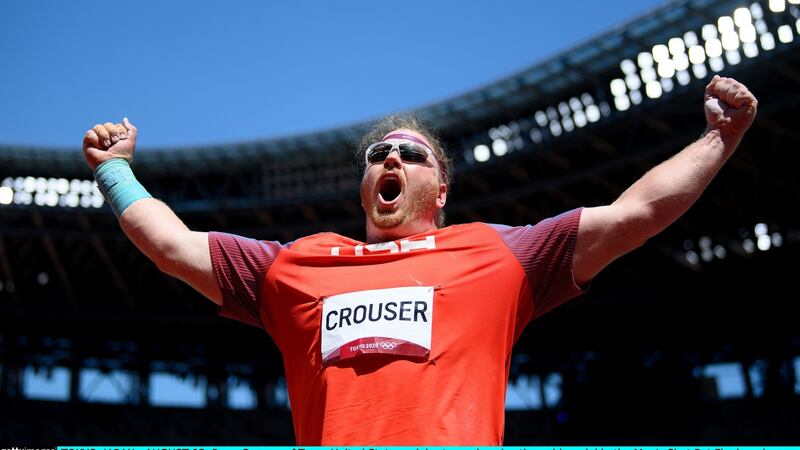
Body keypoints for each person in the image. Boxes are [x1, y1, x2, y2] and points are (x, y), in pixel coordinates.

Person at [82, 75, 757, 445]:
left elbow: (634, 214)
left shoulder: (498, 254)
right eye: (378, 155)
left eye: (411, 154)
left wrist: (718, 139)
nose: (391, 159)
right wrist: (115, 173)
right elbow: (171, 248)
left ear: (441, 189)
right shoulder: (297, 266)